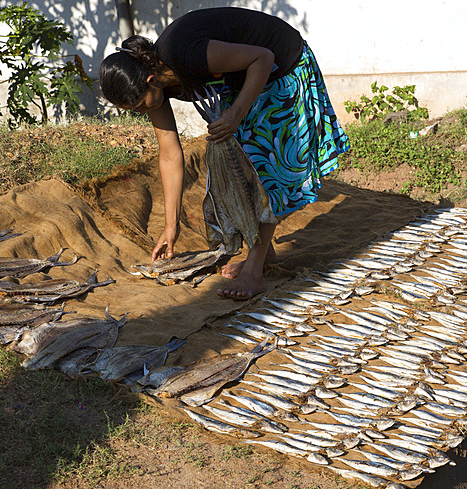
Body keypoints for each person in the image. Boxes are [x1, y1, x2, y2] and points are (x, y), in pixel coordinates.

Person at [98, 7, 349, 299]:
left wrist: (235, 115)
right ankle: (263, 253)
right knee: (236, 162)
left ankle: (254, 273)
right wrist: (170, 227)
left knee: (263, 162)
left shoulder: (184, 52)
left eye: (141, 104)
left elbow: (263, 57)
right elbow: (169, 154)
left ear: (150, 80)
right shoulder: (153, 86)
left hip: (282, 64)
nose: (143, 111)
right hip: (247, 77)